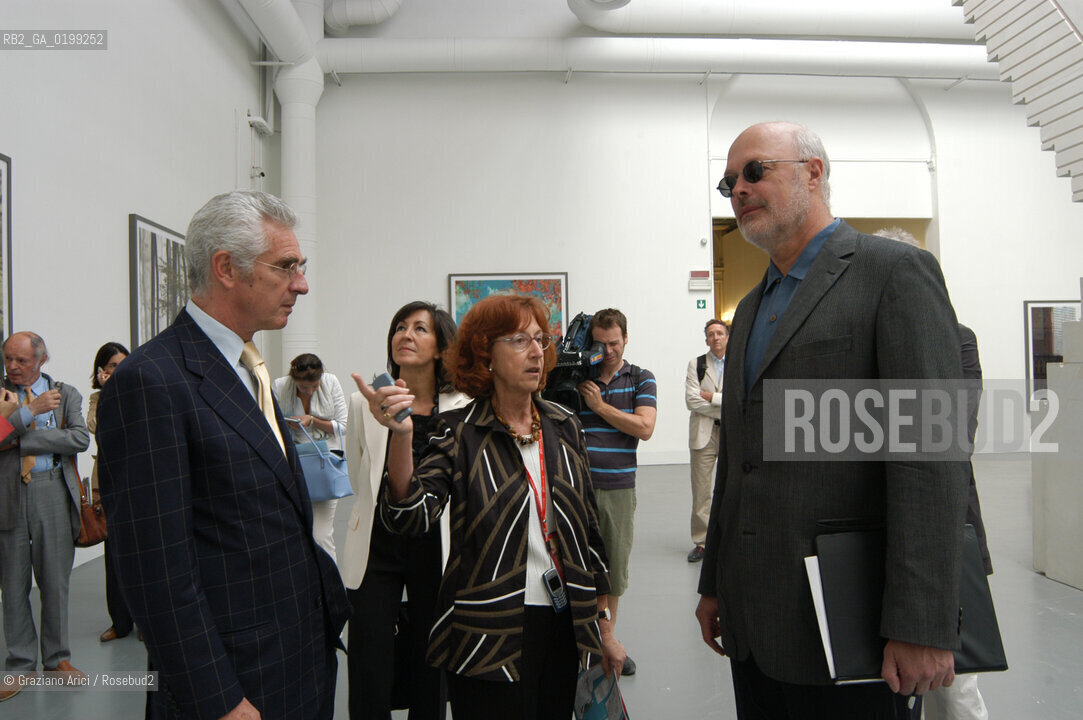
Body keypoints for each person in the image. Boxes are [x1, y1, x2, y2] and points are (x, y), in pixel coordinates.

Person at [696, 121, 968, 719]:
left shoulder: (893, 274)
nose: (738, 189)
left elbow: (930, 456)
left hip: (853, 619)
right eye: (728, 182)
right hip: (755, 621)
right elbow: (740, 459)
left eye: (755, 171)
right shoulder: (748, 311)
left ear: (813, 172)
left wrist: (922, 622)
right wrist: (714, 580)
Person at [97, 190, 350, 720]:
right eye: (286, 267)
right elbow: (155, 572)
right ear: (226, 268)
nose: (301, 284)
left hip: (296, 659)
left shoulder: (249, 367)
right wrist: (219, 699)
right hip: (233, 684)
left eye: (300, 267)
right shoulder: (153, 381)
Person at [354, 293, 625, 720]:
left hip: (564, 627)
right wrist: (402, 436)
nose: (537, 351)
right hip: (487, 634)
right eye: (519, 340)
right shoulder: (459, 432)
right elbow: (409, 515)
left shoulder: (564, 425)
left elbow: (588, 536)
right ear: (486, 356)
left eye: (540, 339)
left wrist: (604, 628)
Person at [874, 227, 991, 720]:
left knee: (955, 686)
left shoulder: (957, 340)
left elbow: (947, 432)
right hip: (875, 538)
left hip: (947, 534)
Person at [341, 300, 469, 720]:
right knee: (368, 652)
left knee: (431, 653)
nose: (405, 335)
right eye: (399, 327)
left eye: (419, 328)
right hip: (377, 542)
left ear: (440, 346)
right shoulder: (366, 403)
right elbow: (361, 474)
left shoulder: (463, 407)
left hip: (437, 540)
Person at [0, 332, 91, 690]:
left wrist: (18, 438)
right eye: (8, 358)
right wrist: (30, 412)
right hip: (10, 495)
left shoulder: (65, 394)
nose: (12, 366)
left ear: (42, 359)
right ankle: (20, 662)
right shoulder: (3, 394)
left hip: (53, 490)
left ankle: (57, 659)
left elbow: (79, 439)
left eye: (21, 360)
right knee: (13, 581)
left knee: (55, 579)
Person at [575, 308, 657, 676]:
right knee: (576, 571)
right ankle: (580, 650)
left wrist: (598, 407)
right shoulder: (577, 378)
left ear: (626, 338)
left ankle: (607, 646)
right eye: (600, 343)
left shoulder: (641, 378)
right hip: (575, 491)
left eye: (614, 342)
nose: (607, 350)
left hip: (617, 490)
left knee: (613, 574)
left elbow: (644, 427)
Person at [272, 353, 348, 560]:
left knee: (322, 534)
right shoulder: (279, 386)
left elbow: (343, 426)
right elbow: (269, 427)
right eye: (304, 387)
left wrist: (312, 420)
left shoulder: (330, 382)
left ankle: (333, 587)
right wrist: (286, 424)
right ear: (293, 379)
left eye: (314, 386)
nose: (310, 391)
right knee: (296, 533)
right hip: (294, 466)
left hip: (325, 466)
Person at [86, 341, 135, 644]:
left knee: (147, 552)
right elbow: (96, 428)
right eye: (113, 366)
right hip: (107, 481)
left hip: (141, 478)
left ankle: (149, 621)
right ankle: (120, 621)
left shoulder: (140, 392)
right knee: (114, 555)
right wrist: (107, 394)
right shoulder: (97, 398)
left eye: (123, 364)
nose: (119, 371)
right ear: (102, 371)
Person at [684, 319, 728, 563]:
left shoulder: (738, 362)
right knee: (701, 491)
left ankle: (728, 538)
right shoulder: (697, 364)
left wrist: (712, 398)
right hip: (703, 435)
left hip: (732, 434)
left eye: (720, 333)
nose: (716, 338)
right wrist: (725, 403)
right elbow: (692, 401)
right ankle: (702, 542)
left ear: (727, 337)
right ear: (706, 340)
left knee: (731, 488)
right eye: (711, 334)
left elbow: (741, 398)